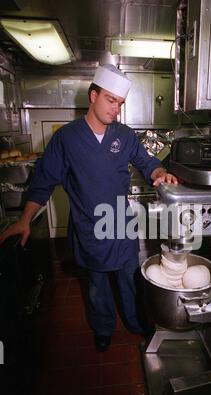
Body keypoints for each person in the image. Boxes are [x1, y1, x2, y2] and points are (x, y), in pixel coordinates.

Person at [0, 64, 178, 351]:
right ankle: (103, 327)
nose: (115, 109)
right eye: (111, 100)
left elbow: (147, 163)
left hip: (121, 224)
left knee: (131, 278)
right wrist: (25, 219)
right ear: (93, 96)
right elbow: (43, 182)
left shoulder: (125, 135)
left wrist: (159, 173)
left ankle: (135, 323)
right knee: (97, 287)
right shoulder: (66, 139)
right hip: (88, 228)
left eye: (120, 104)